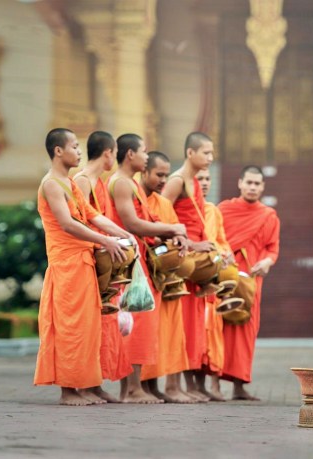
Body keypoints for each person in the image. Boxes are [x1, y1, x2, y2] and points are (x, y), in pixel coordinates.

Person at [34, 128, 130, 406]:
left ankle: (88, 385)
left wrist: (123, 236)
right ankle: (68, 390)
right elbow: (67, 223)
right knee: (70, 326)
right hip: (66, 265)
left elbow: (92, 215)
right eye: (75, 146)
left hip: (83, 261)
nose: (79, 151)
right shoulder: (51, 183)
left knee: (89, 327)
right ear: (58, 151)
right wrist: (104, 241)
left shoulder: (70, 182)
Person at [106, 133, 187, 404]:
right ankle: (131, 389)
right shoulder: (120, 183)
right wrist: (171, 228)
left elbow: (145, 223)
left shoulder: (131, 184)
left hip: (139, 261)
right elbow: (132, 223)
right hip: (128, 265)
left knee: (139, 324)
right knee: (133, 323)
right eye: (143, 151)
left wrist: (168, 236)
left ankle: (132, 388)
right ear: (130, 154)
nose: (145, 156)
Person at [72, 130, 134, 403]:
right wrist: (106, 242)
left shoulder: (99, 182)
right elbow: (80, 222)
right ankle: (82, 385)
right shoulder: (83, 181)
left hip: (102, 259)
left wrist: (123, 237)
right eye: (114, 153)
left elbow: (99, 218)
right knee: (87, 327)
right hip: (86, 260)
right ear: (109, 152)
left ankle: (95, 383)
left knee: (104, 327)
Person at [139, 151, 197, 404]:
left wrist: (180, 241)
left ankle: (169, 386)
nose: (164, 179)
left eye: (166, 174)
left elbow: (175, 228)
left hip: (168, 277)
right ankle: (146, 386)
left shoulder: (162, 203)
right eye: (159, 174)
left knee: (173, 332)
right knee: (147, 331)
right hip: (145, 273)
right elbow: (135, 227)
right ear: (144, 171)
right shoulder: (136, 197)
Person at [162, 132, 216, 402]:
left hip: (194, 266)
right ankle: (171, 386)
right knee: (176, 326)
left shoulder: (193, 182)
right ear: (190, 153)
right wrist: (192, 246)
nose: (210, 158)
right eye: (206, 152)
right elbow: (160, 217)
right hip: (180, 261)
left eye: (211, 153)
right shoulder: (176, 181)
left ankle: (180, 385)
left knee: (190, 328)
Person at [218, 166, 280, 401]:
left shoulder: (268, 215)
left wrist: (267, 262)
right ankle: (213, 384)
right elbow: (214, 238)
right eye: (249, 183)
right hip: (226, 277)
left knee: (247, 330)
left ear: (263, 187)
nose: (253, 187)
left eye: (257, 184)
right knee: (220, 326)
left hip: (252, 280)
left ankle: (239, 385)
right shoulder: (224, 209)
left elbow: (273, 248)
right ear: (240, 183)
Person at [195, 168, 234, 401]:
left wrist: (226, 253)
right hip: (196, 278)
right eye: (200, 179)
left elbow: (221, 240)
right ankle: (196, 385)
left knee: (215, 334)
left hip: (214, 280)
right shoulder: (185, 207)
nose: (205, 183)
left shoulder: (213, 211)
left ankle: (215, 385)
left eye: (208, 178)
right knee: (197, 334)